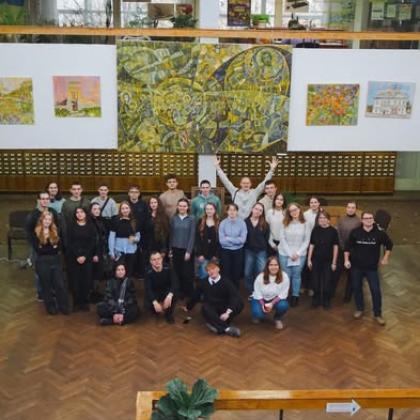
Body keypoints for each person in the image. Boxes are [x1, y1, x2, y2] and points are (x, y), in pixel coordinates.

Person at [344, 211, 393, 326]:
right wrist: (346, 260)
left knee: (375, 290)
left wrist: (386, 257)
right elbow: (347, 247)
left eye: (370, 218)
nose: (368, 220)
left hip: (372, 268)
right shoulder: (355, 232)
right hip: (356, 267)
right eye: (366, 218)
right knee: (357, 288)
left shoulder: (380, 234)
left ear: (373, 220)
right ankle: (360, 309)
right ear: (362, 220)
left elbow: (389, 245)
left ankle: (378, 314)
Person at [186, 262, 244, 337]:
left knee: (239, 304)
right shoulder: (203, 282)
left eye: (213, 269)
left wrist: (227, 313)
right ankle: (226, 328)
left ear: (218, 269)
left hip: (224, 307)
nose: (211, 271)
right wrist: (188, 307)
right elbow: (196, 296)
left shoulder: (226, 282)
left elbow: (234, 297)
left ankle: (217, 325)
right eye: (208, 270)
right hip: (212, 308)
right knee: (205, 308)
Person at [214, 156, 279, 220]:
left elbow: (264, 183)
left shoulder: (255, 192)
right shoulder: (234, 191)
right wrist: (218, 168)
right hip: (237, 221)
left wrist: (272, 170)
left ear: (250, 184)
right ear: (240, 184)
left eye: (247, 183)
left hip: (250, 221)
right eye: (244, 183)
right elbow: (226, 181)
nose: (246, 185)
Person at [33, 212, 69, 315]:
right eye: (45, 219)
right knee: (46, 285)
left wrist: (48, 248)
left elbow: (58, 248)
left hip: (55, 260)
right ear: (41, 220)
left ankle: (63, 306)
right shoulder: (36, 233)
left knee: (60, 284)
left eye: (49, 219)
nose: (47, 221)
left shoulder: (55, 231)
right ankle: (51, 307)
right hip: (42, 262)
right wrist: (52, 248)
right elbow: (38, 250)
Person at [26, 192, 59, 301]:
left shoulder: (53, 212)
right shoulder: (33, 215)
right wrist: (36, 247)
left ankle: (52, 292)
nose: (45, 201)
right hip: (38, 248)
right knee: (39, 271)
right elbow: (29, 232)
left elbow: (57, 228)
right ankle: (41, 293)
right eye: (43, 199)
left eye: (47, 199)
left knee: (52, 271)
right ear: (38, 200)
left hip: (51, 248)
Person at [278, 203, 311, 307]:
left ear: (299, 209)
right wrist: (289, 253)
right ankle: (285, 295)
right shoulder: (284, 223)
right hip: (284, 253)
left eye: (295, 209)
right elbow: (282, 239)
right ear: (289, 213)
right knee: (286, 275)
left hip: (300, 254)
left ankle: (295, 295)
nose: (294, 212)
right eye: (291, 211)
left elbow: (306, 240)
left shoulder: (305, 223)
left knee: (296, 275)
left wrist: (297, 253)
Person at [67, 207, 99, 311]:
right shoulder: (71, 226)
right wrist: (77, 256)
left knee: (86, 280)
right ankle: (76, 303)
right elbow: (69, 242)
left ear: (86, 213)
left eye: (81, 212)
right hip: (74, 257)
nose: (79, 214)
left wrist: (85, 256)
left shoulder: (91, 226)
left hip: (87, 257)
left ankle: (85, 302)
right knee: (75, 281)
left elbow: (92, 242)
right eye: (77, 212)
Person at [307, 210, 339, 310]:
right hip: (316, 260)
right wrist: (309, 259)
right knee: (315, 282)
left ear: (328, 220)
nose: (322, 220)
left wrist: (334, 262)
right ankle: (316, 300)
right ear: (318, 220)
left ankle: (326, 300)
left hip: (328, 261)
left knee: (327, 282)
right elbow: (312, 245)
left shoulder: (333, 231)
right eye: (320, 218)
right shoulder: (315, 230)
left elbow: (335, 247)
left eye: (324, 218)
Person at [251, 256, 290, 330]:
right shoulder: (260, 277)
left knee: (283, 305)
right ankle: (257, 315)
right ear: (267, 266)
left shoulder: (284, 276)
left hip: (275, 299)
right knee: (258, 314)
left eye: (276, 265)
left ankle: (277, 318)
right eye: (271, 265)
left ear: (279, 266)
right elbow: (257, 293)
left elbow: (283, 294)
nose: (273, 267)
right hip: (260, 299)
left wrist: (272, 303)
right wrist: (263, 305)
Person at [169, 198, 196, 299]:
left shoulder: (192, 219)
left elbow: (192, 235)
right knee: (177, 272)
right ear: (177, 207)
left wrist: (189, 251)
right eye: (180, 206)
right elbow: (171, 235)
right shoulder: (173, 218)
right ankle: (179, 293)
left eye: (184, 206)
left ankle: (189, 293)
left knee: (187, 273)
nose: (182, 208)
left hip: (187, 250)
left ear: (188, 207)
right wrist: (170, 249)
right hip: (175, 249)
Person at [336, 201, 361, 302]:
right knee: (337, 271)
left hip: (353, 251)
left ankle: (348, 296)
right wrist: (342, 246)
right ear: (346, 208)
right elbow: (338, 233)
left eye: (353, 208)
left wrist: (351, 249)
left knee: (351, 275)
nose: (350, 209)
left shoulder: (359, 222)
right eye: (349, 207)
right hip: (341, 249)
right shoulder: (341, 219)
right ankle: (331, 292)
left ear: (355, 209)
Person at [108, 201, 140, 277]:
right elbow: (111, 237)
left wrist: (134, 239)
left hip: (131, 251)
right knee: (119, 272)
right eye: (123, 208)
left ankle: (127, 284)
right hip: (118, 251)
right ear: (120, 210)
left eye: (126, 208)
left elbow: (138, 237)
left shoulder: (134, 221)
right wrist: (111, 251)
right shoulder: (116, 220)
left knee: (129, 272)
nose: (125, 210)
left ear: (130, 209)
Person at [218, 203, 247, 289]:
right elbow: (222, 241)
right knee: (226, 273)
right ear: (227, 211)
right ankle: (226, 291)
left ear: (237, 211)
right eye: (230, 210)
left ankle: (235, 292)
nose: (232, 212)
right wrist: (235, 240)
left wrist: (228, 238)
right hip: (225, 251)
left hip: (238, 251)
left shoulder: (242, 223)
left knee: (236, 273)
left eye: (234, 210)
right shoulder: (223, 223)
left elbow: (242, 240)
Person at [144, 252, 177, 324]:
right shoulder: (147, 271)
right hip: (155, 292)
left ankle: (169, 314)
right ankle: (155, 311)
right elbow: (148, 288)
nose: (157, 261)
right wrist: (155, 302)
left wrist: (169, 295)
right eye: (154, 259)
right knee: (147, 303)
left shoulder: (168, 267)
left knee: (175, 295)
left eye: (158, 259)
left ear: (162, 259)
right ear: (150, 261)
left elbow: (175, 283)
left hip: (166, 291)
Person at [244, 203, 269, 295]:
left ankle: (259, 291)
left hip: (261, 251)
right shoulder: (245, 222)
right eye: (256, 209)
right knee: (247, 273)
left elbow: (266, 238)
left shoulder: (265, 224)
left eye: (260, 210)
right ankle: (251, 291)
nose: (257, 211)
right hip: (248, 250)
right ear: (252, 209)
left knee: (261, 272)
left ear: (262, 213)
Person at [127, 185, 150, 277]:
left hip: (142, 234)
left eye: (136, 192)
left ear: (139, 194)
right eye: (132, 192)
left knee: (141, 256)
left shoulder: (143, 204)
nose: (134, 194)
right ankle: (130, 275)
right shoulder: (126, 204)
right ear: (129, 193)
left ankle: (140, 275)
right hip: (129, 235)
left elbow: (146, 219)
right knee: (130, 256)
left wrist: (143, 235)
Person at [195, 203, 220, 281]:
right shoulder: (200, 221)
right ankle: (203, 289)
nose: (209, 211)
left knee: (214, 276)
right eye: (207, 209)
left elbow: (220, 240)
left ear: (215, 210)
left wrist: (216, 255)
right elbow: (197, 239)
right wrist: (199, 254)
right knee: (203, 274)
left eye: (211, 209)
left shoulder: (219, 222)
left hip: (214, 255)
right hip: (203, 254)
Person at [90, 202, 109, 301]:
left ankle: (97, 292)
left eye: (98, 209)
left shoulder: (100, 220)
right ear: (90, 211)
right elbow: (91, 240)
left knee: (99, 272)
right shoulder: (90, 222)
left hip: (101, 250)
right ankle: (93, 294)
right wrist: (94, 253)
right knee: (95, 273)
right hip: (95, 252)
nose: (97, 211)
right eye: (94, 209)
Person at [144, 196, 170, 261]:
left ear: (158, 203)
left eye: (155, 202)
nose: (153, 204)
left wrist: (164, 249)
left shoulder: (164, 216)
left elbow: (166, 234)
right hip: (149, 246)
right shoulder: (146, 216)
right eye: (151, 203)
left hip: (160, 246)